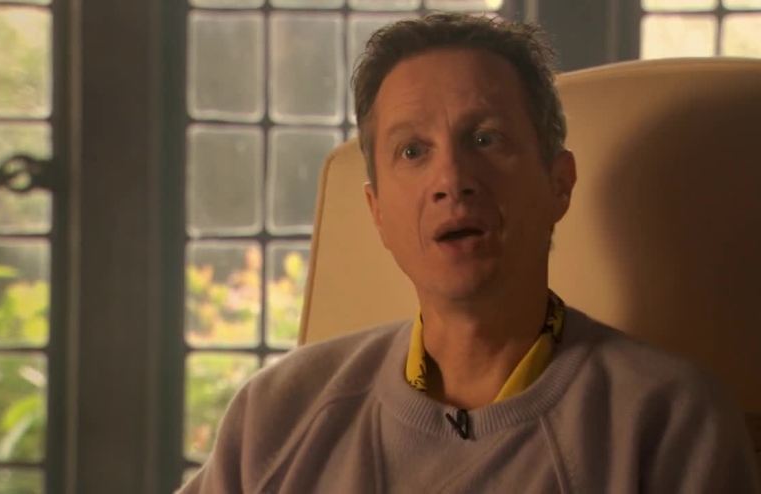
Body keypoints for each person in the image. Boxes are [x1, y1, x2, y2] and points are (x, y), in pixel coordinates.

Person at [179, 13, 760, 493]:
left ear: (558, 184)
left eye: (485, 139)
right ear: (377, 211)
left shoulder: (665, 422)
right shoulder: (279, 415)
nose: (452, 180)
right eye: (413, 151)